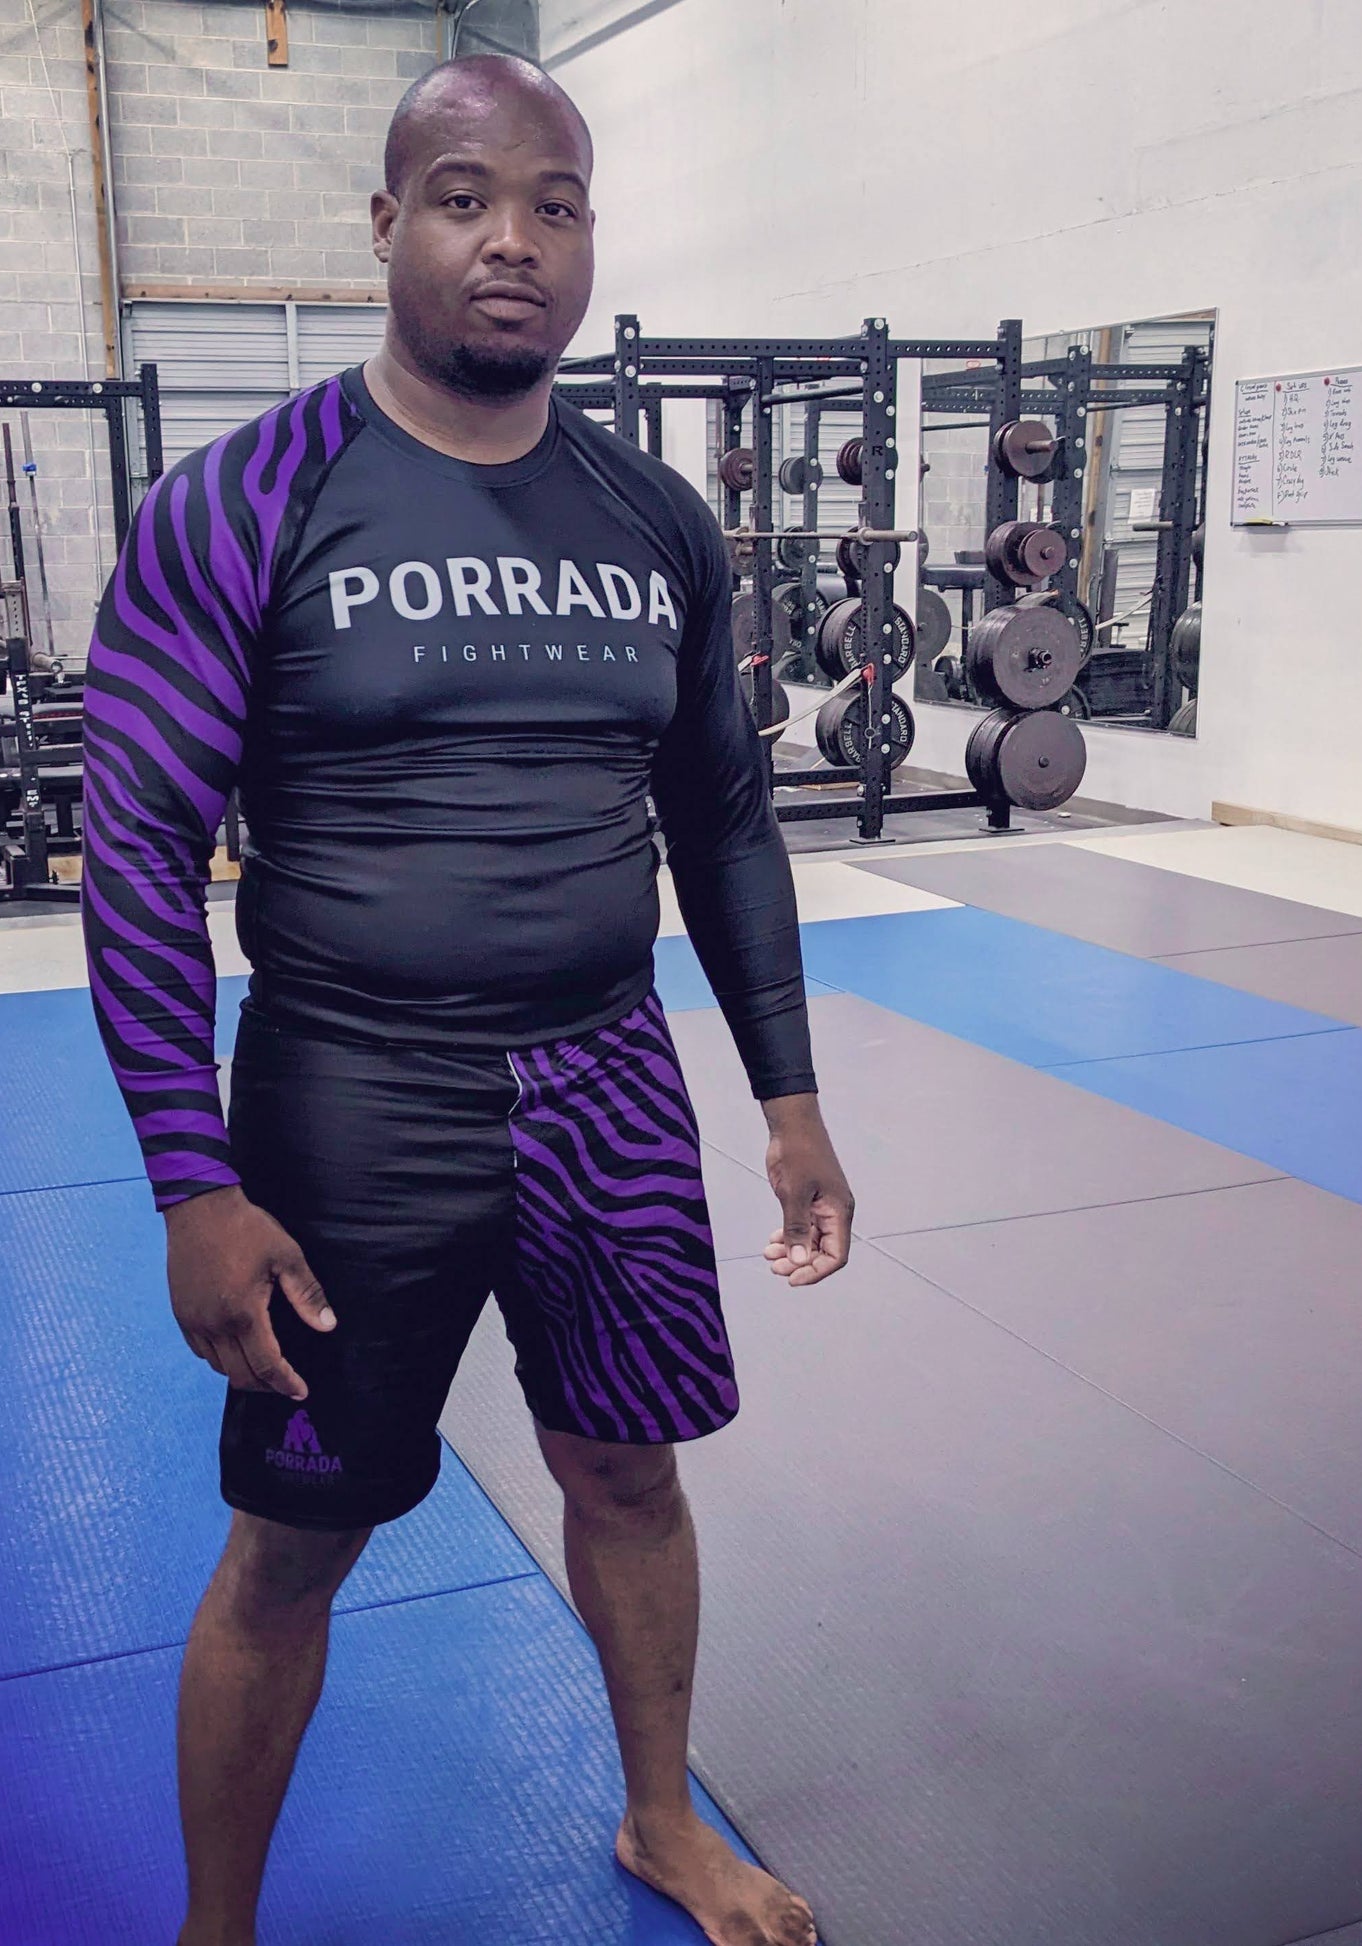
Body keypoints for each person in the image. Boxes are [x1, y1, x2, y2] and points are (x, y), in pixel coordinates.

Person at [81, 50, 851, 1946]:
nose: (513, 239)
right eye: (463, 197)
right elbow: (138, 850)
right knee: (292, 1541)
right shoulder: (242, 500)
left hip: (609, 1083)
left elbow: (724, 817)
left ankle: (661, 1821)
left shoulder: (655, 518)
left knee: (627, 1468)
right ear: (385, 225)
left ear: (588, 237)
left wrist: (789, 1098)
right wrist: (191, 1182)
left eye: (554, 203)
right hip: (351, 1096)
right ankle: (214, 1930)